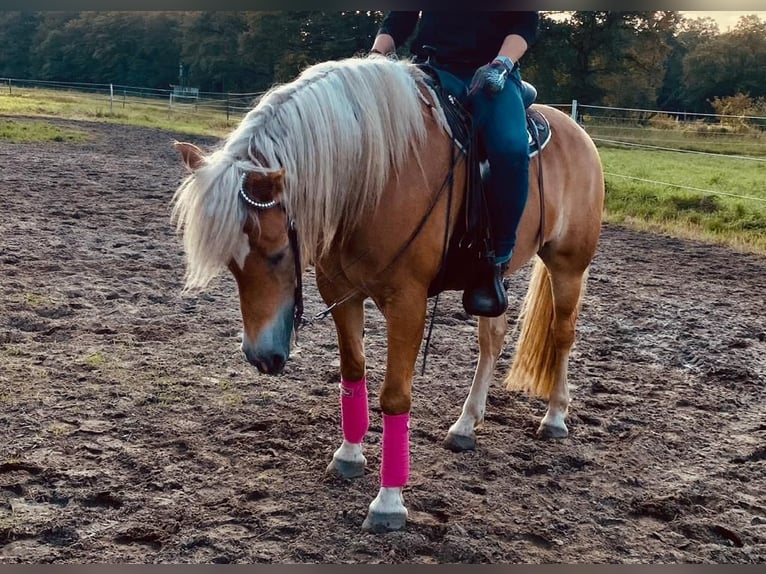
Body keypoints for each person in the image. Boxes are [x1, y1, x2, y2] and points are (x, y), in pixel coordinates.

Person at [370, 11, 540, 317]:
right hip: (430, 71)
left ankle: (497, 260)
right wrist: (375, 55)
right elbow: (399, 19)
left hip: (491, 73)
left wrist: (502, 64)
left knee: (510, 148)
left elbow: (524, 24)